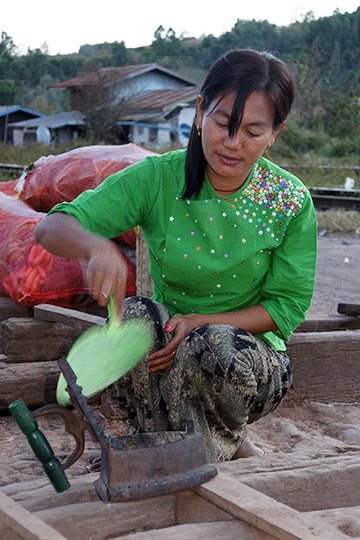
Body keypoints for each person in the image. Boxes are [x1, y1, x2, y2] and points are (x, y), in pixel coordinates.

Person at [35, 49, 317, 463]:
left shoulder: (288, 200)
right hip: (169, 347)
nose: (233, 144)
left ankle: (215, 439)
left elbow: (287, 307)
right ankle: (158, 437)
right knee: (135, 316)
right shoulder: (158, 178)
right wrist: (96, 246)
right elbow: (51, 226)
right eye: (223, 123)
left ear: (275, 133)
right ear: (201, 112)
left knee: (211, 345)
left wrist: (202, 321)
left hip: (248, 362)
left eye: (254, 132)